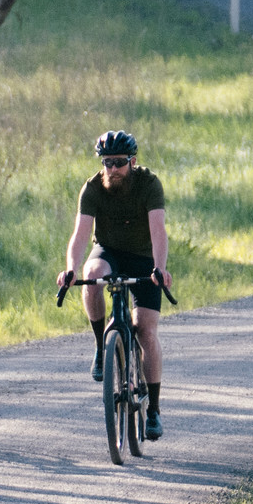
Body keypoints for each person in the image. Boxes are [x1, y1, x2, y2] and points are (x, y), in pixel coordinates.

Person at [56, 130, 169, 440]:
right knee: (91, 277)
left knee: (145, 330)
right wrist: (70, 268)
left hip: (144, 258)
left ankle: (154, 410)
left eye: (119, 163)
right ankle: (100, 347)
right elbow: (80, 235)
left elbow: (158, 230)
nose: (113, 170)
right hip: (109, 251)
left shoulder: (148, 183)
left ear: (132, 162)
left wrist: (160, 267)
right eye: (108, 163)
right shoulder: (92, 188)